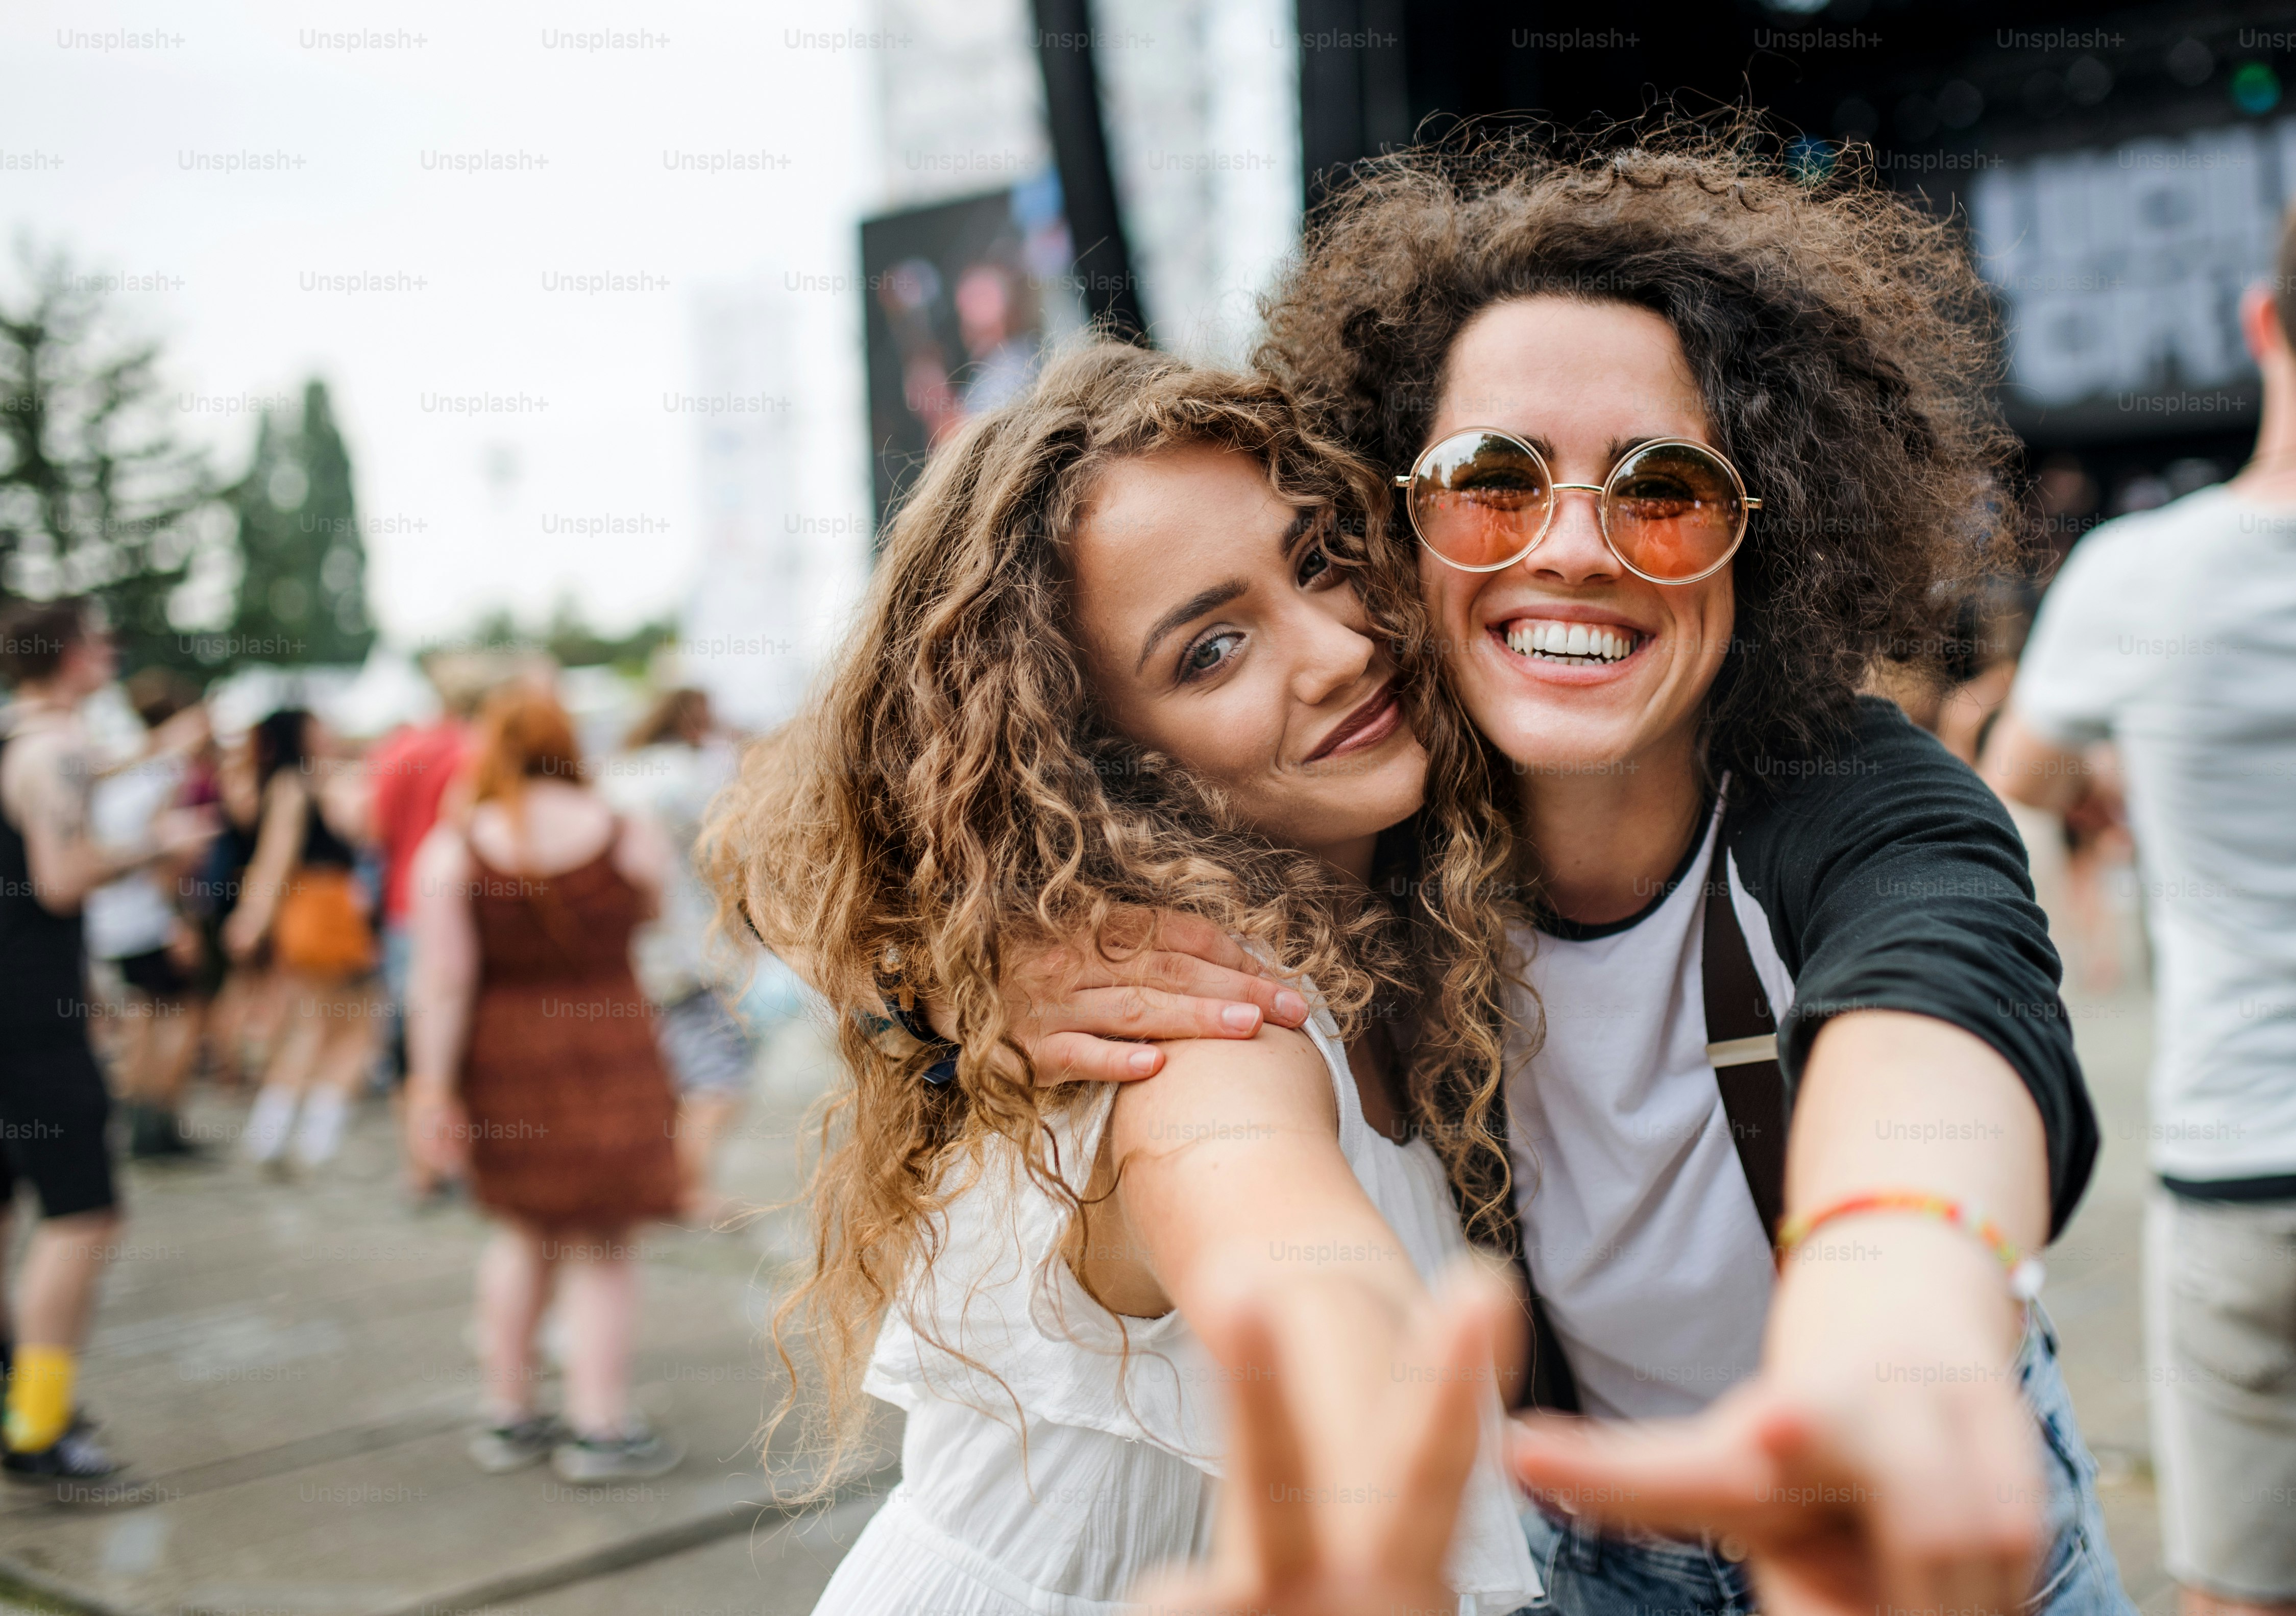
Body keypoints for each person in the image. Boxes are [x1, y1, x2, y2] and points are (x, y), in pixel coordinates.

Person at [972, 130, 2132, 1614]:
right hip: (1581, 1556)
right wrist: (969, 981)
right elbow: (1233, 1167)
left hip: (1930, 1527)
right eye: (1489, 482)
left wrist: (1900, 1346)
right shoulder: (1347, 850)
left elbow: (1933, 1026)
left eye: (1660, 490)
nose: (1575, 547)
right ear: (1395, 521)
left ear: (1755, 534)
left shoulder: (1860, 798)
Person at [710, 342, 1541, 1614]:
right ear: (1092, 760)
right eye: (1209, 650)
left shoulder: (1416, 931)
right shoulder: (1190, 1014)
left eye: (1319, 558)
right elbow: (1271, 1232)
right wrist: (1372, 1439)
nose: (1331, 648)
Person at [1984, 223, 2296, 1616]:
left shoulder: (2137, 576)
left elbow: (2012, 793)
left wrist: (2132, 758)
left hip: (2245, 1163)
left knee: (2235, 1584)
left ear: (2258, 321)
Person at [404, 683, 687, 1483]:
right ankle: (600, 1430)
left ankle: (510, 1415)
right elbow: (657, 917)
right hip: (611, 1046)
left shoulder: (456, 845)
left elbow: (443, 982)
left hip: (505, 1055)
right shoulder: (628, 830)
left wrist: (431, 1089)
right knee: (601, 1240)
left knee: (520, 1232)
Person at [0, 597, 212, 1492]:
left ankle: (21, 1404)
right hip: (29, 1022)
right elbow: (58, 879)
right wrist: (151, 843)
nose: (113, 652)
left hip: (23, 1008)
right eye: (100, 640)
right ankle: (38, 1431)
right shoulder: (51, 753)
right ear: (71, 654)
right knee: (83, 1215)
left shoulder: (26, 739)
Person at [602, 687, 753, 1222]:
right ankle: (685, 1190)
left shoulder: (621, 772)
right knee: (719, 1073)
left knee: (661, 1072)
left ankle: (652, 1182)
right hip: (685, 948)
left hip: (629, 949)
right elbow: (728, 849)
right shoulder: (687, 777)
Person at [225, 708, 380, 1175]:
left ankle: (276, 1135)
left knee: (313, 1027)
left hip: (314, 913)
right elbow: (275, 858)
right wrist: (251, 919)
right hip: (323, 914)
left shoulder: (306, 782)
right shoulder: (297, 784)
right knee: (347, 1030)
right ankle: (311, 1137)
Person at [368, 654, 483, 1201]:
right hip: (458, 907)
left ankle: (419, 1167)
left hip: (401, 906)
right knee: (456, 1034)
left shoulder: (400, 750)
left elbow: (374, 828)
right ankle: (456, 1159)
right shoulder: (477, 753)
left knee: (408, 1040)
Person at [85, 670, 213, 1159]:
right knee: (178, 1015)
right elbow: (171, 854)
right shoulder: (168, 775)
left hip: (113, 918)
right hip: (152, 917)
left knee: (140, 1017)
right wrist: (180, 918)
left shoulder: (118, 772)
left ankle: (136, 1121)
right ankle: (159, 1121)